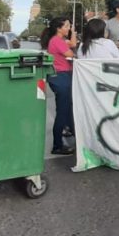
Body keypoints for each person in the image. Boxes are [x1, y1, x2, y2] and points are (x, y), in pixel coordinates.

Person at [41, 17, 77, 155]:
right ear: (58, 28)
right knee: (63, 112)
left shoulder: (59, 40)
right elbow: (71, 53)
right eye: (67, 26)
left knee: (68, 110)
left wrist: (72, 31)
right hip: (60, 77)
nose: (68, 28)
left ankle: (75, 135)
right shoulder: (57, 41)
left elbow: (72, 44)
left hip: (62, 77)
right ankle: (57, 145)